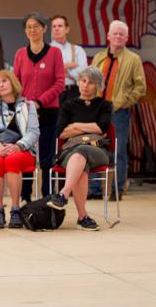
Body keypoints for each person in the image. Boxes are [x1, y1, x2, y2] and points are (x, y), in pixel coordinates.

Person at [46, 67, 112, 231]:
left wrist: (75, 126)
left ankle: (63, 194)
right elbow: (61, 133)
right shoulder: (68, 105)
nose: (86, 85)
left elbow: (102, 128)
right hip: (71, 151)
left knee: (82, 150)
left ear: (98, 85)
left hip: (97, 150)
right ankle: (83, 217)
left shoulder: (105, 105)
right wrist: (90, 128)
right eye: (83, 81)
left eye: (91, 82)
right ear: (78, 82)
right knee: (81, 166)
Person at [90, 20, 146, 200]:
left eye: (122, 34)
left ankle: (116, 189)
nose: (118, 36)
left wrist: (126, 102)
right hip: (97, 111)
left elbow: (141, 87)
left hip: (118, 111)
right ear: (108, 36)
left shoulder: (133, 59)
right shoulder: (99, 57)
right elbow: (90, 80)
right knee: (94, 148)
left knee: (118, 151)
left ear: (127, 38)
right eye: (115, 33)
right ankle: (95, 189)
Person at [14, 12, 65, 200]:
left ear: (44, 29)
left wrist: (40, 101)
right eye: (28, 27)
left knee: (47, 156)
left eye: (36, 26)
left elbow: (60, 82)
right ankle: (26, 196)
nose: (32, 30)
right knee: (26, 154)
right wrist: (25, 103)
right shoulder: (20, 54)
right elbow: (16, 83)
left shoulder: (55, 53)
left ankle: (47, 196)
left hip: (48, 111)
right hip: (25, 112)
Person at [0, 70, 39, 229]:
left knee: (12, 160)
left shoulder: (27, 105)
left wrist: (18, 146)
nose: (1, 85)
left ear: (12, 82)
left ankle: (15, 209)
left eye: (4, 81)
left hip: (22, 150)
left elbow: (34, 131)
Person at [50, 15, 88, 104]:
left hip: (74, 93)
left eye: (60, 26)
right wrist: (69, 65)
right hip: (53, 94)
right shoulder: (45, 51)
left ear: (67, 29)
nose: (56, 29)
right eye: (54, 26)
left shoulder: (78, 50)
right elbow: (47, 73)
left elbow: (84, 75)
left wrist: (65, 71)